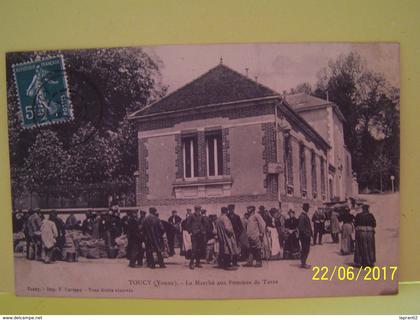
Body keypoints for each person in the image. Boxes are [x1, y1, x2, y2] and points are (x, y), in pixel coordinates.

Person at [298, 203, 312, 268]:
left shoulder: (304, 215)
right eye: (308, 208)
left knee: (306, 249)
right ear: (306, 208)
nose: (308, 209)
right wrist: (307, 234)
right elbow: (301, 227)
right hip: (304, 237)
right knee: (305, 249)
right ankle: (303, 263)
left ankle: (304, 263)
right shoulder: (302, 216)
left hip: (306, 236)